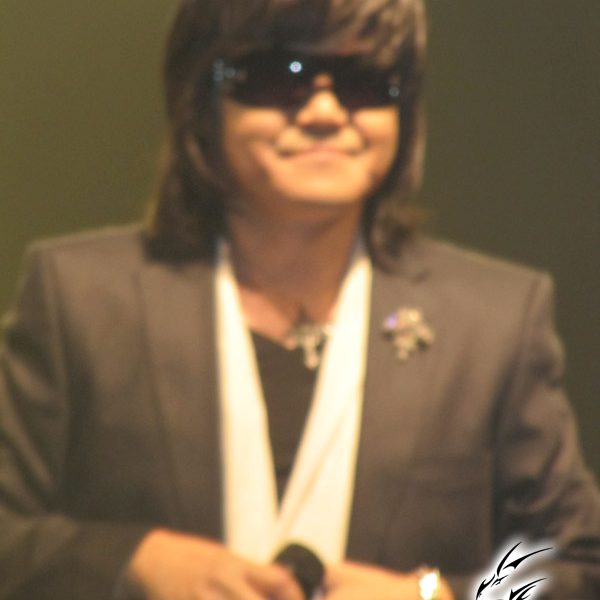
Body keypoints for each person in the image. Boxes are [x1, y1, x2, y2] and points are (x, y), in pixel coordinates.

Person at [0, 0, 599, 599]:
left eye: (364, 81)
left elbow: (576, 563)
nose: (323, 112)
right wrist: (134, 562)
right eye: (278, 76)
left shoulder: (494, 323)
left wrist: (435, 595)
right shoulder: (79, 300)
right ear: (202, 102)